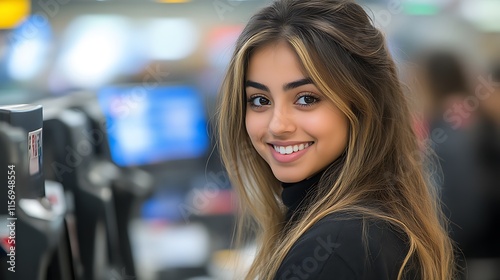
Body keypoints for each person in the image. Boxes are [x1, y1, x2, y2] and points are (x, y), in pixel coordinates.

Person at [216, 0, 455, 279]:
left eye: (306, 99)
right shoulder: (369, 223)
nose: (277, 125)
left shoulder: (337, 247)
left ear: (363, 105)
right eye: (260, 100)